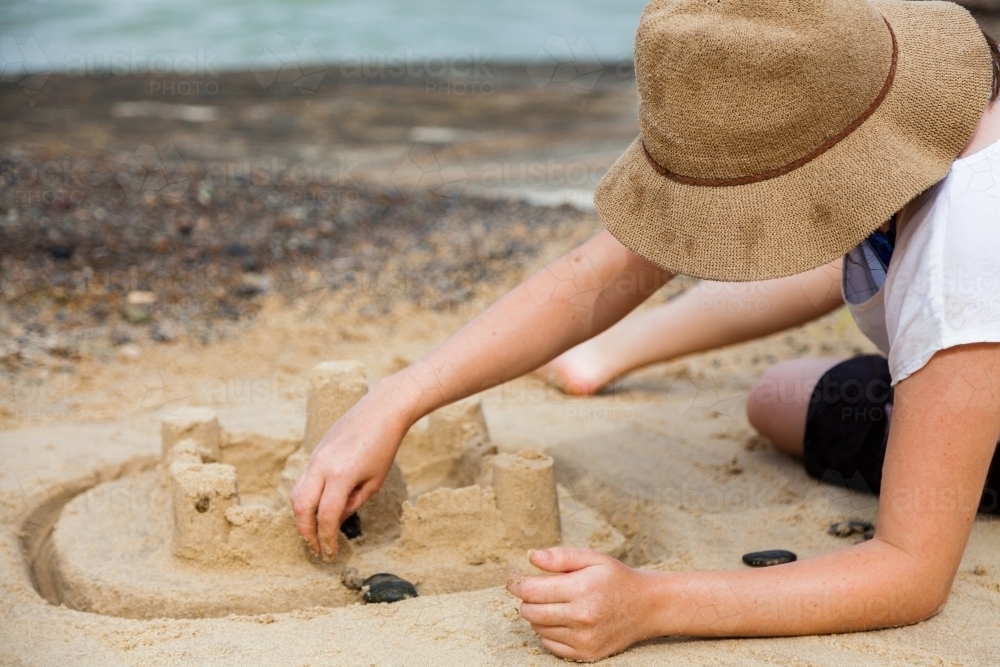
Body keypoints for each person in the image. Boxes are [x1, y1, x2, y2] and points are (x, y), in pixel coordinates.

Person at [292, 0, 1000, 660]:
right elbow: (600, 274)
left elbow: (908, 571)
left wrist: (655, 601)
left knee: (809, 401)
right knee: (778, 394)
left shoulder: (964, 249)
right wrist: (398, 398)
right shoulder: (863, 74)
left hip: (976, 316)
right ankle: (614, 354)